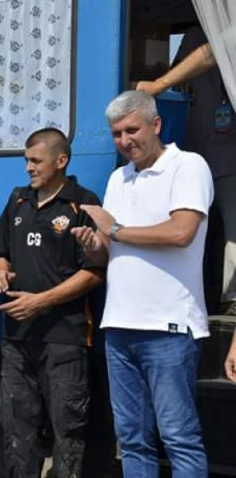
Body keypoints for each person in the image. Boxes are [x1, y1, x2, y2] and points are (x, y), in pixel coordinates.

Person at [73, 90, 213, 476]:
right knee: (132, 439)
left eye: (132, 130)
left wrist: (113, 230)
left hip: (168, 327)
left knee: (178, 436)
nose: (124, 141)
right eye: (116, 134)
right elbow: (110, 252)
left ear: (156, 124)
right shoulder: (120, 177)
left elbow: (181, 232)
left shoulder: (188, 166)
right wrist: (95, 244)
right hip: (119, 326)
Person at [0, 128, 104, 477]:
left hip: (64, 339)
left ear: (61, 161)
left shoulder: (83, 203)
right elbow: (2, 254)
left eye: (35, 161)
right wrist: (0, 272)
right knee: (15, 428)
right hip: (16, 338)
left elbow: (95, 272)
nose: (28, 168)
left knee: (68, 430)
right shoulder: (18, 199)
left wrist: (42, 301)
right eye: (26, 160)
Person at [138, 27, 236, 315]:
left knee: (232, 230)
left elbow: (215, 49)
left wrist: (161, 83)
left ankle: (231, 299)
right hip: (198, 148)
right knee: (192, 228)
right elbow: (200, 56)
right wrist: (171, 82)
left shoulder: (221, 26)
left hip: (229, 154)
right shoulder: (195, 34)